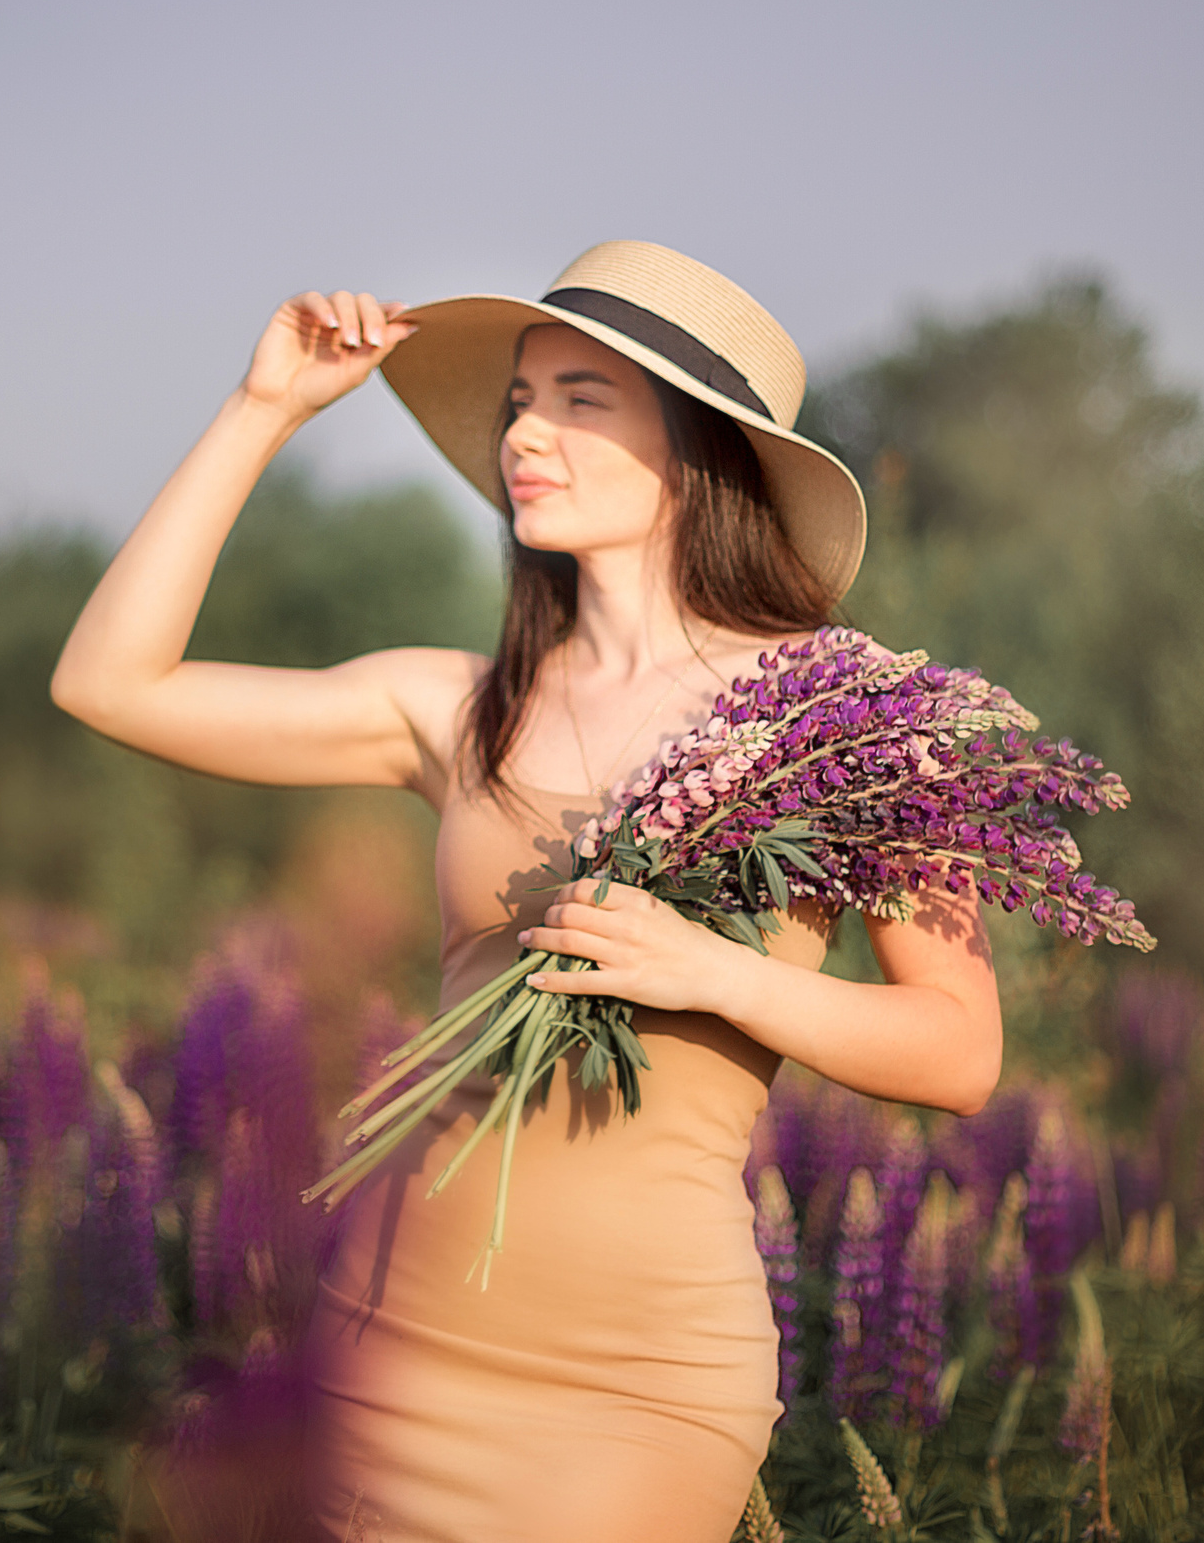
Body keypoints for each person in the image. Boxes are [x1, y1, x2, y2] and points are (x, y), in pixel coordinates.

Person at [49, 241, 1002, 1542]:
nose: (524, 434)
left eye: (579, 399)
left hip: (640, 1381)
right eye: (517, 400)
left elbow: (961, 1048)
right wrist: (261, 409)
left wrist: (713, 972)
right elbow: (108, 686)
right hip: (392, 1335)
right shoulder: (458, 707)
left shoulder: (853, 724)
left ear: (697, 448)